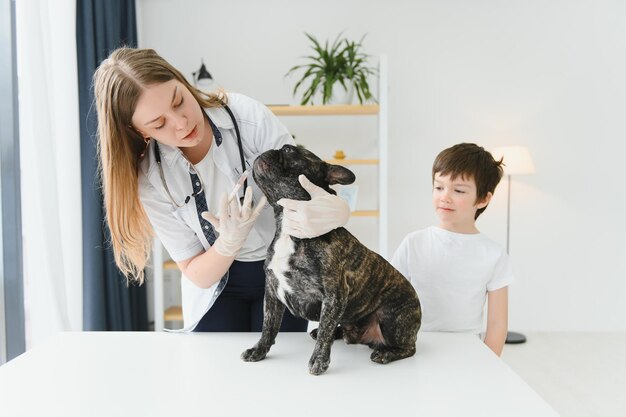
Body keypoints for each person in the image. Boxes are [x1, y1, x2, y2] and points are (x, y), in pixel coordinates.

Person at [93, 47, 350, 332]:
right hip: (219, 282)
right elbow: (196, 272)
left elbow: (306, 182)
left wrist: (334, 208)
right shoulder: (153, 180)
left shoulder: (247, 117)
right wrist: (228, 243)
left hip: (284, 268)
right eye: (159, 123)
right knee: (219, 368)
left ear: (183, 82)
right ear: (140, 131)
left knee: (281, 366)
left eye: (179, 101)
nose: (181, 123)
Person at [391, 143, 513, 355]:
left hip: (466, 350)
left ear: (483, 199)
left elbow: (497, 324)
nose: (444, 197)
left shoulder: (494, 254)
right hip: (415, 346)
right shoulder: (414, 243)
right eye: (439, 187)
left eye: (458, 190)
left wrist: (488, 365)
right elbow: (387, 299)